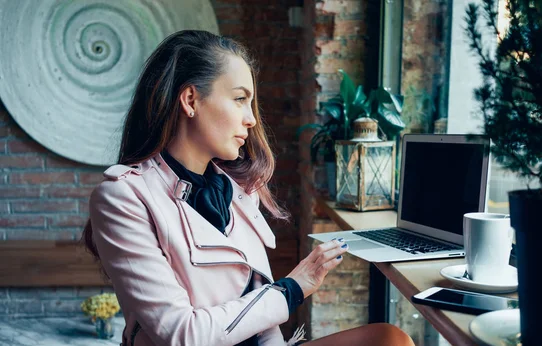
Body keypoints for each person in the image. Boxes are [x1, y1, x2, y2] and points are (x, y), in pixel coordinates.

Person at [82, 30, 414, 346]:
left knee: (390, 339)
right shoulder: (122, 198)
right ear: (190, 100)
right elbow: (182, 335)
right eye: (240, 99)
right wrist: (292, 289)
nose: (251, 119)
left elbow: (260, 317)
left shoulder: (239, 191)